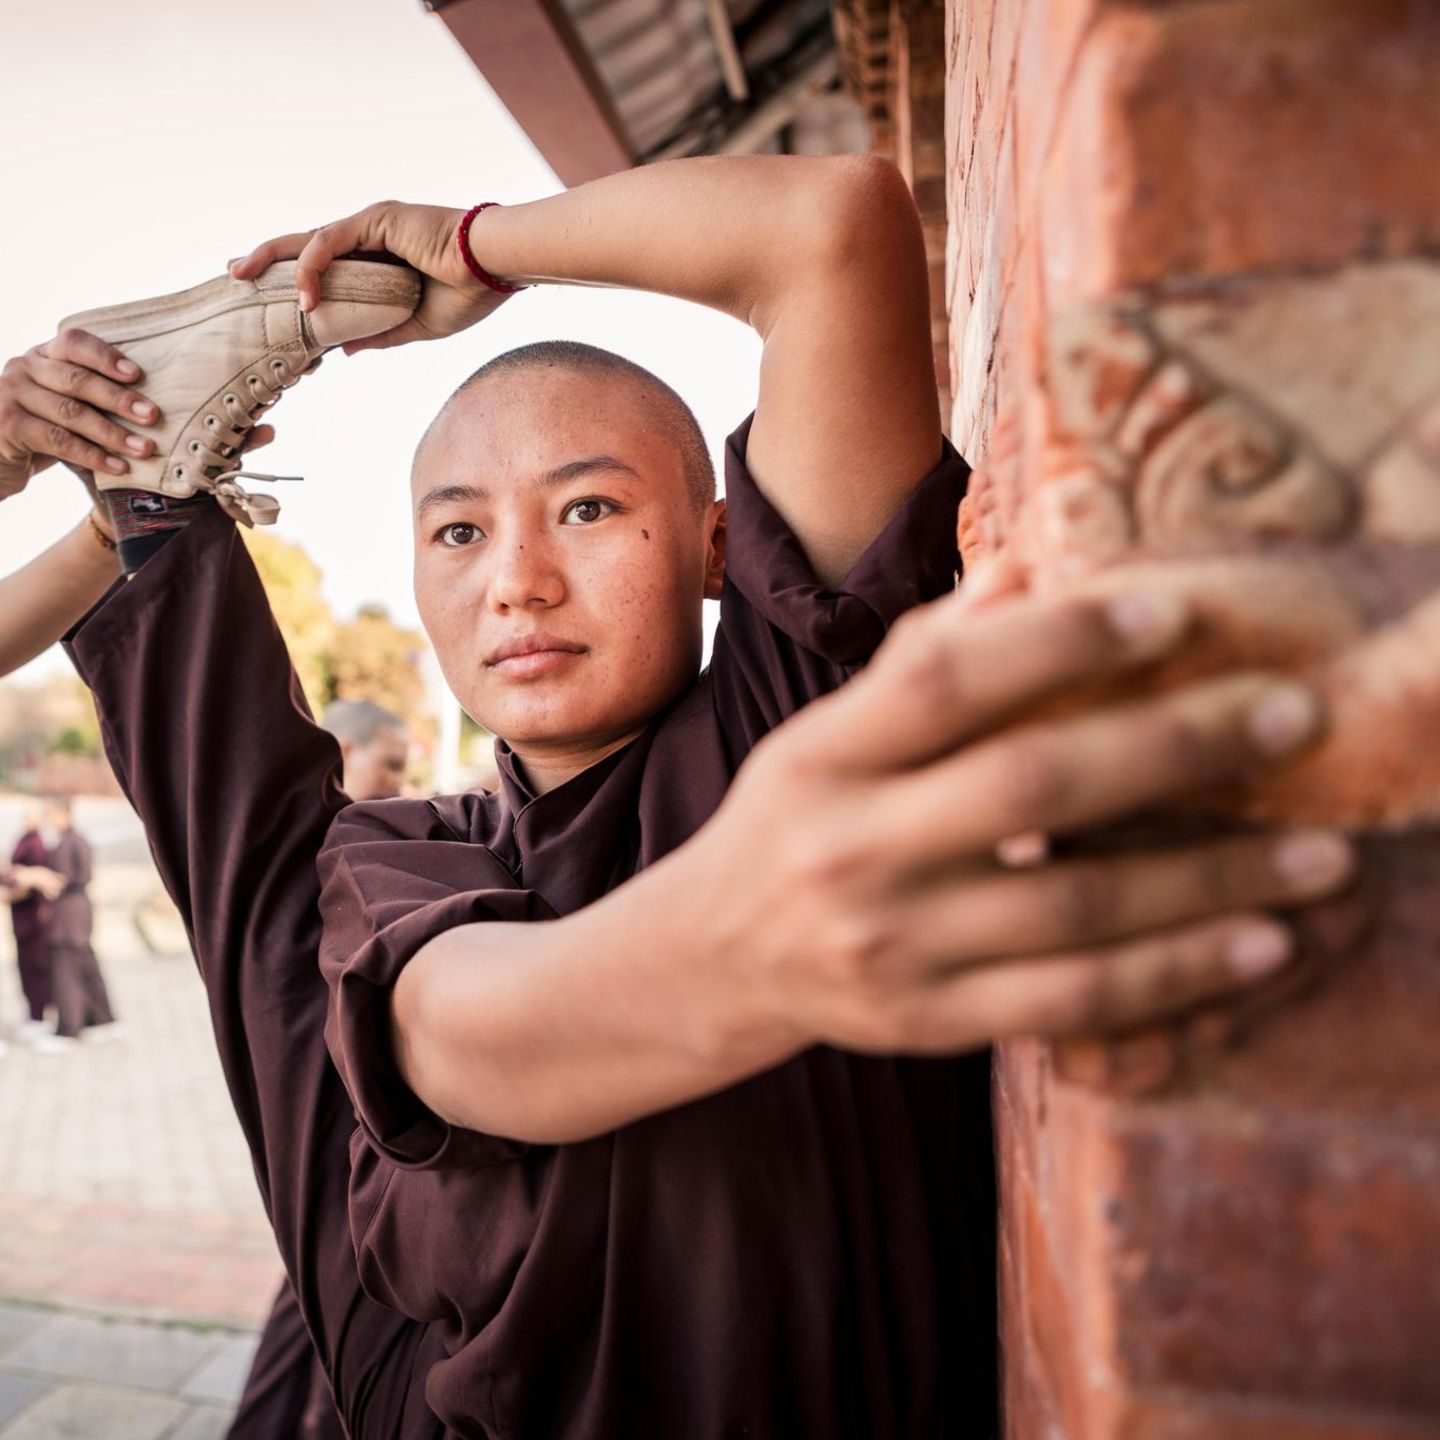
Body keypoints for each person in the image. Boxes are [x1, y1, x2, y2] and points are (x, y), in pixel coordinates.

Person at [1, 157, 1360, 1437]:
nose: (517, 580)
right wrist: (736, 947)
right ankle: (147, 492)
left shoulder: (802, 720)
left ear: (719, 546)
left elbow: (828, 226)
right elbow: (460, 1032)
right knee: (281, 932)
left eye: (587, 510)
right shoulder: (398, 855)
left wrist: (479, 243)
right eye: (459, 532)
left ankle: (150, 503)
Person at [232, 699, 410, 1440]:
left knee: (306, 1309)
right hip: (332, 1130)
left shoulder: (393, 846)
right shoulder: (309, 850)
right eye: (391, 764)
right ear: (339, 748)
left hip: (346, 1141)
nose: (402, 784)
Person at [34, 794, 117, 1048]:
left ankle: (69, 1028)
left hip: (72, 913)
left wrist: (53, 882)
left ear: (65, 813)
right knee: (82, 966)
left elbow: (80, 876)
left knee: (67, 968)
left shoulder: (75, 842)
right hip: (70, 911)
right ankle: (100, 1020)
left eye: (52, 814)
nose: (50, 820)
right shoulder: (65, 841)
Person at [7, 802, 56, 1041]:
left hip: (32, 916)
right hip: (18, 915)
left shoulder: (37, 844)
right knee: (24, 967)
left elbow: (38, 880)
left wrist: (23, 880)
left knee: (36, 967)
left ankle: (39, 1016)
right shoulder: (23, 839)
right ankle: (31, 1013)